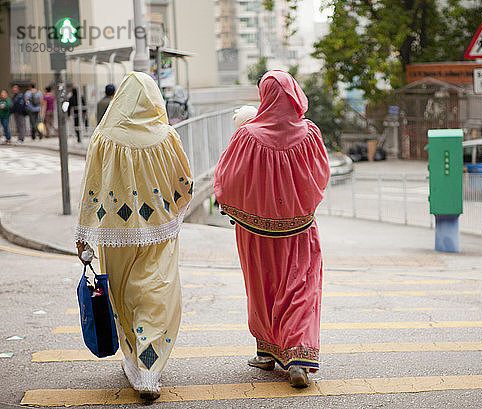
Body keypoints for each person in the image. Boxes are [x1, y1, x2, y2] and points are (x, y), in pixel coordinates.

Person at [75, 71, 193, 401]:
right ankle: (150, 370)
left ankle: (134, 359)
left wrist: (85, 233)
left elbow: (91, 187)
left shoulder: (103, 137)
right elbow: (184, 182)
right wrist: (172, 209)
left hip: (116, 233)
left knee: (124, 295)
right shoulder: (167, 136)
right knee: (158, 294)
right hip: (159, 232)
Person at [214, 70, 330, 388]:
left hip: (254, 233)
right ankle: (298, 356)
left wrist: (238, 208)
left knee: (262, 290)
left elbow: (228, 178)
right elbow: (320, 176)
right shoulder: (309, 133)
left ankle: (266, 352)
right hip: (300, 229)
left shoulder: (247, 135)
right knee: (301, 288)